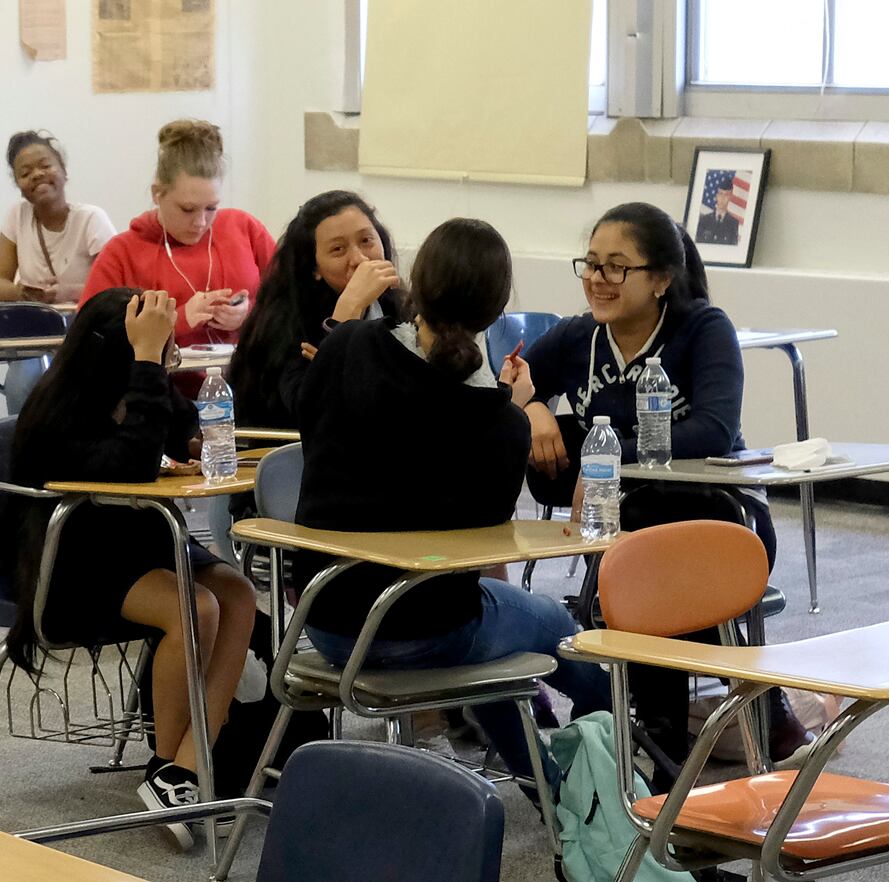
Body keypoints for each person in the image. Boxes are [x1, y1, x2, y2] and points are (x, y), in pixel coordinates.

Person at [292, 217, 610, 791]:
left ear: (417, 284)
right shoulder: (499, 424)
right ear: (496, 312)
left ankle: (557, 792)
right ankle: (621, 767)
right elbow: (483, 535)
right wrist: (510, 407)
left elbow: (311, 423)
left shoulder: (347, 347)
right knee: (559, 625)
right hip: (424, 626)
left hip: (326, 619)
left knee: (490, 649)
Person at [520, 201, 811, 770]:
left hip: (721, 516)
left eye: (616, 267)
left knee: (650, 564)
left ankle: (667, 741)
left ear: (660, 280)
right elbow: (509, 384)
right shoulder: (577, 337)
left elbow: (713, 429)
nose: (597, 280)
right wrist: (532, 408)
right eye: (591, 264)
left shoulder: (703, 328)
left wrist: (602, 457)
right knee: (644, 558)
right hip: (625, 526)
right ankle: (732, 720)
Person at [8, 288, 257, 849]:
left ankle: (186, 769)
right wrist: (147, 365)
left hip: (140, 546)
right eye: (154, 352)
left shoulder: (137, 387)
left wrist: (181, 418)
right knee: (195, 607)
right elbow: (130, 466)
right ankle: (169, 767)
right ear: (115, 354)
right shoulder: (58, 410)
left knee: (237, 594)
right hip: (72, 564)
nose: (164, 362)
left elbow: (178, 428)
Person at [81, 120, 275, 349]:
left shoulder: (244, 227)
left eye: (211, 208)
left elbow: (290, 301)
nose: (201, 222)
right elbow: (88, 337)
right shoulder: (121, 252)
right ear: (157, 194)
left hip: (246, 377)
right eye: (187, 209)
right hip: (158, 381)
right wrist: (176, 320)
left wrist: (249, 313)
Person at [228, 190, 403, 428]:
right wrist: (344, 317)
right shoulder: (287, 324)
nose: (360, 259)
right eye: (338, 250)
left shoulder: (401, 309)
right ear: (314, 268)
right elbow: (310, 414)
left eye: (366, 241)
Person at [0, 131, 116, 303]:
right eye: (25, 174)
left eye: (46, 166)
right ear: (18, 186)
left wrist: (69, 293)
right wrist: (19, 293)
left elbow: (116, 287)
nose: (37, 174)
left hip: (85, 324)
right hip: (34, 322)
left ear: (64, 172)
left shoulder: (91, 219)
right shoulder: (17, 215)